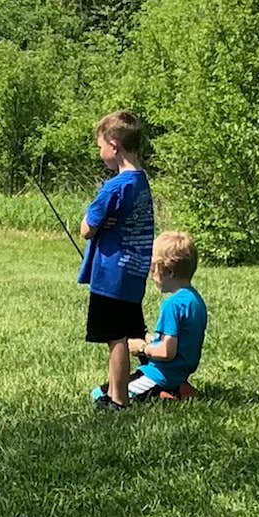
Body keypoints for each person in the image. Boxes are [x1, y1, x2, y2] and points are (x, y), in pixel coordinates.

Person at [77, 110, 157, 408]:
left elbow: (87, 228)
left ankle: (119, 399)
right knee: (124, 334)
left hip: (111, 275)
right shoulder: (141, 181)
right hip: (133, 273)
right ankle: (120, 389)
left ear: (114, 144)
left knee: (115, 338)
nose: (100, 153)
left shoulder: (115, 186)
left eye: (100, 146)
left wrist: (93, 220)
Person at [126, 230, 208, 401]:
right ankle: (178, 387)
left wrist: (141, 348)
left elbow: (166, 352)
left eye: (153, 268)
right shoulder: (195, 299)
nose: (151, 275)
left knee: (102, 395)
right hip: (180, 371)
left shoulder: (172, 304)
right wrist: (148, 338)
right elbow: (178, 341)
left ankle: (169, 393)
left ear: (169, 271)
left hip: (160, 375)